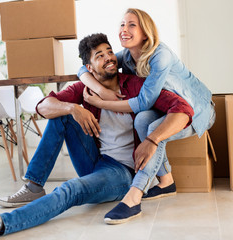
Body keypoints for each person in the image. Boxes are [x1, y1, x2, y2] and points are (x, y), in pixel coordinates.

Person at [0, 33, 194, 238]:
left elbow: (182, 108)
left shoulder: (136, 86)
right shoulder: (84, 88)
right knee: (62, 114)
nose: (109, 58)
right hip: (95, 160)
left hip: (122, 173)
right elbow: (43, 106)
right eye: (100, 55)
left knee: (70, 188)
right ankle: (33, 187)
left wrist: (152, 139)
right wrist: (73, 108)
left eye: (109, 51)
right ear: (89, 67)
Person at [78, 8, 215, 201]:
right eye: (122, 24)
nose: (124, 29)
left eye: (132, 25)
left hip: (195, 111)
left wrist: (102, 103)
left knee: (152, 128)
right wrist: (101, 91)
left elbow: (143, 102)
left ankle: (137, 190)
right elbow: (84, 67)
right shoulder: (126, 55)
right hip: (165, 109)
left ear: (145, 33)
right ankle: (167, 182)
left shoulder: (161, 56)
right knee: (142, 120)